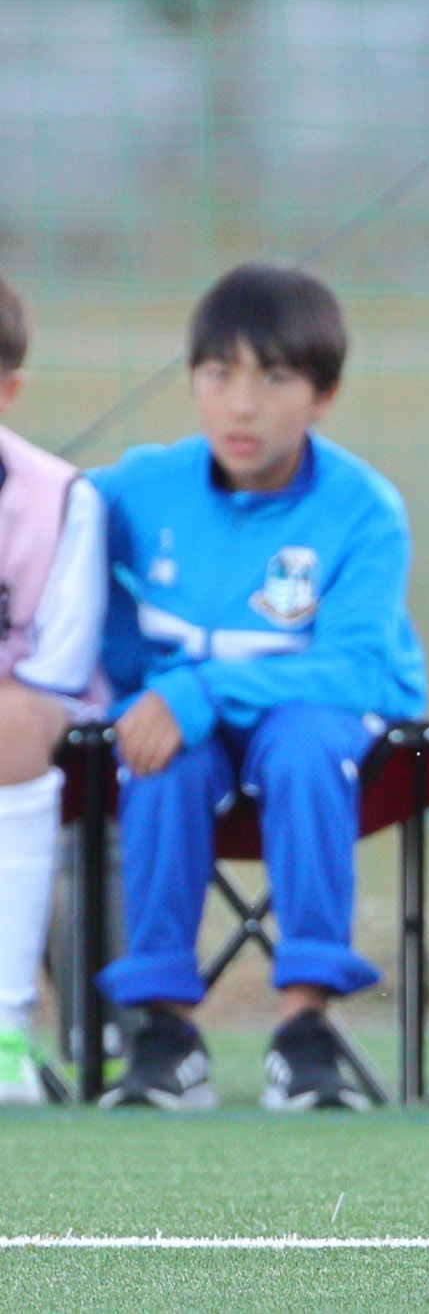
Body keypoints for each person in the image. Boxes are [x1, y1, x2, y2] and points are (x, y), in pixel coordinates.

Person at [92, 263, 427, 1111]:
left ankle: (304, 1029)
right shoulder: (135, 490)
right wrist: (143, 688)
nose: (242, 405)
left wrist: (197, 692)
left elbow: (357, 669)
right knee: (157, 754)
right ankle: (165, 1035)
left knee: (304, 745)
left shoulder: (365, 509)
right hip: (184, 732)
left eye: (274, 378)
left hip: (326, 728)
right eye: (219, 374)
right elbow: (37, 520)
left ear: (324, 394)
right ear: (193, 381)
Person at [0, 277, 107, 1105]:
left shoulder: (62, 498)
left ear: (9, 391)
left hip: (37, 726)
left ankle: (6, 1035)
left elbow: (60, 665)